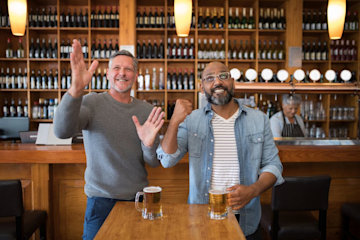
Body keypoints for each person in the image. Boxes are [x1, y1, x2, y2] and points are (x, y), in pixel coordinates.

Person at [157, 61, 284, 240]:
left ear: (232, 82)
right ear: (202, 88)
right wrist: (174, 121)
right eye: (210, 78)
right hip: (201, 217)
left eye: (223, 76)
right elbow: (167, 160)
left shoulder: (258, 119)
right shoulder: (192, 120)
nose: (217, 82)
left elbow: (273, 165)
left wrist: (252, 190)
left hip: (245, 219)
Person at [53, 39, 164, 240]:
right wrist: (75, 90)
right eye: (117, 68)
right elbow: (61, 131)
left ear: (136, 76)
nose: (122, 73)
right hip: (100, 202)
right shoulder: (91, 102)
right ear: (107, 74)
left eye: (128, 69)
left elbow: (154, 161)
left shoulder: (147, 111)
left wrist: (148, 145)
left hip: (137, 201)